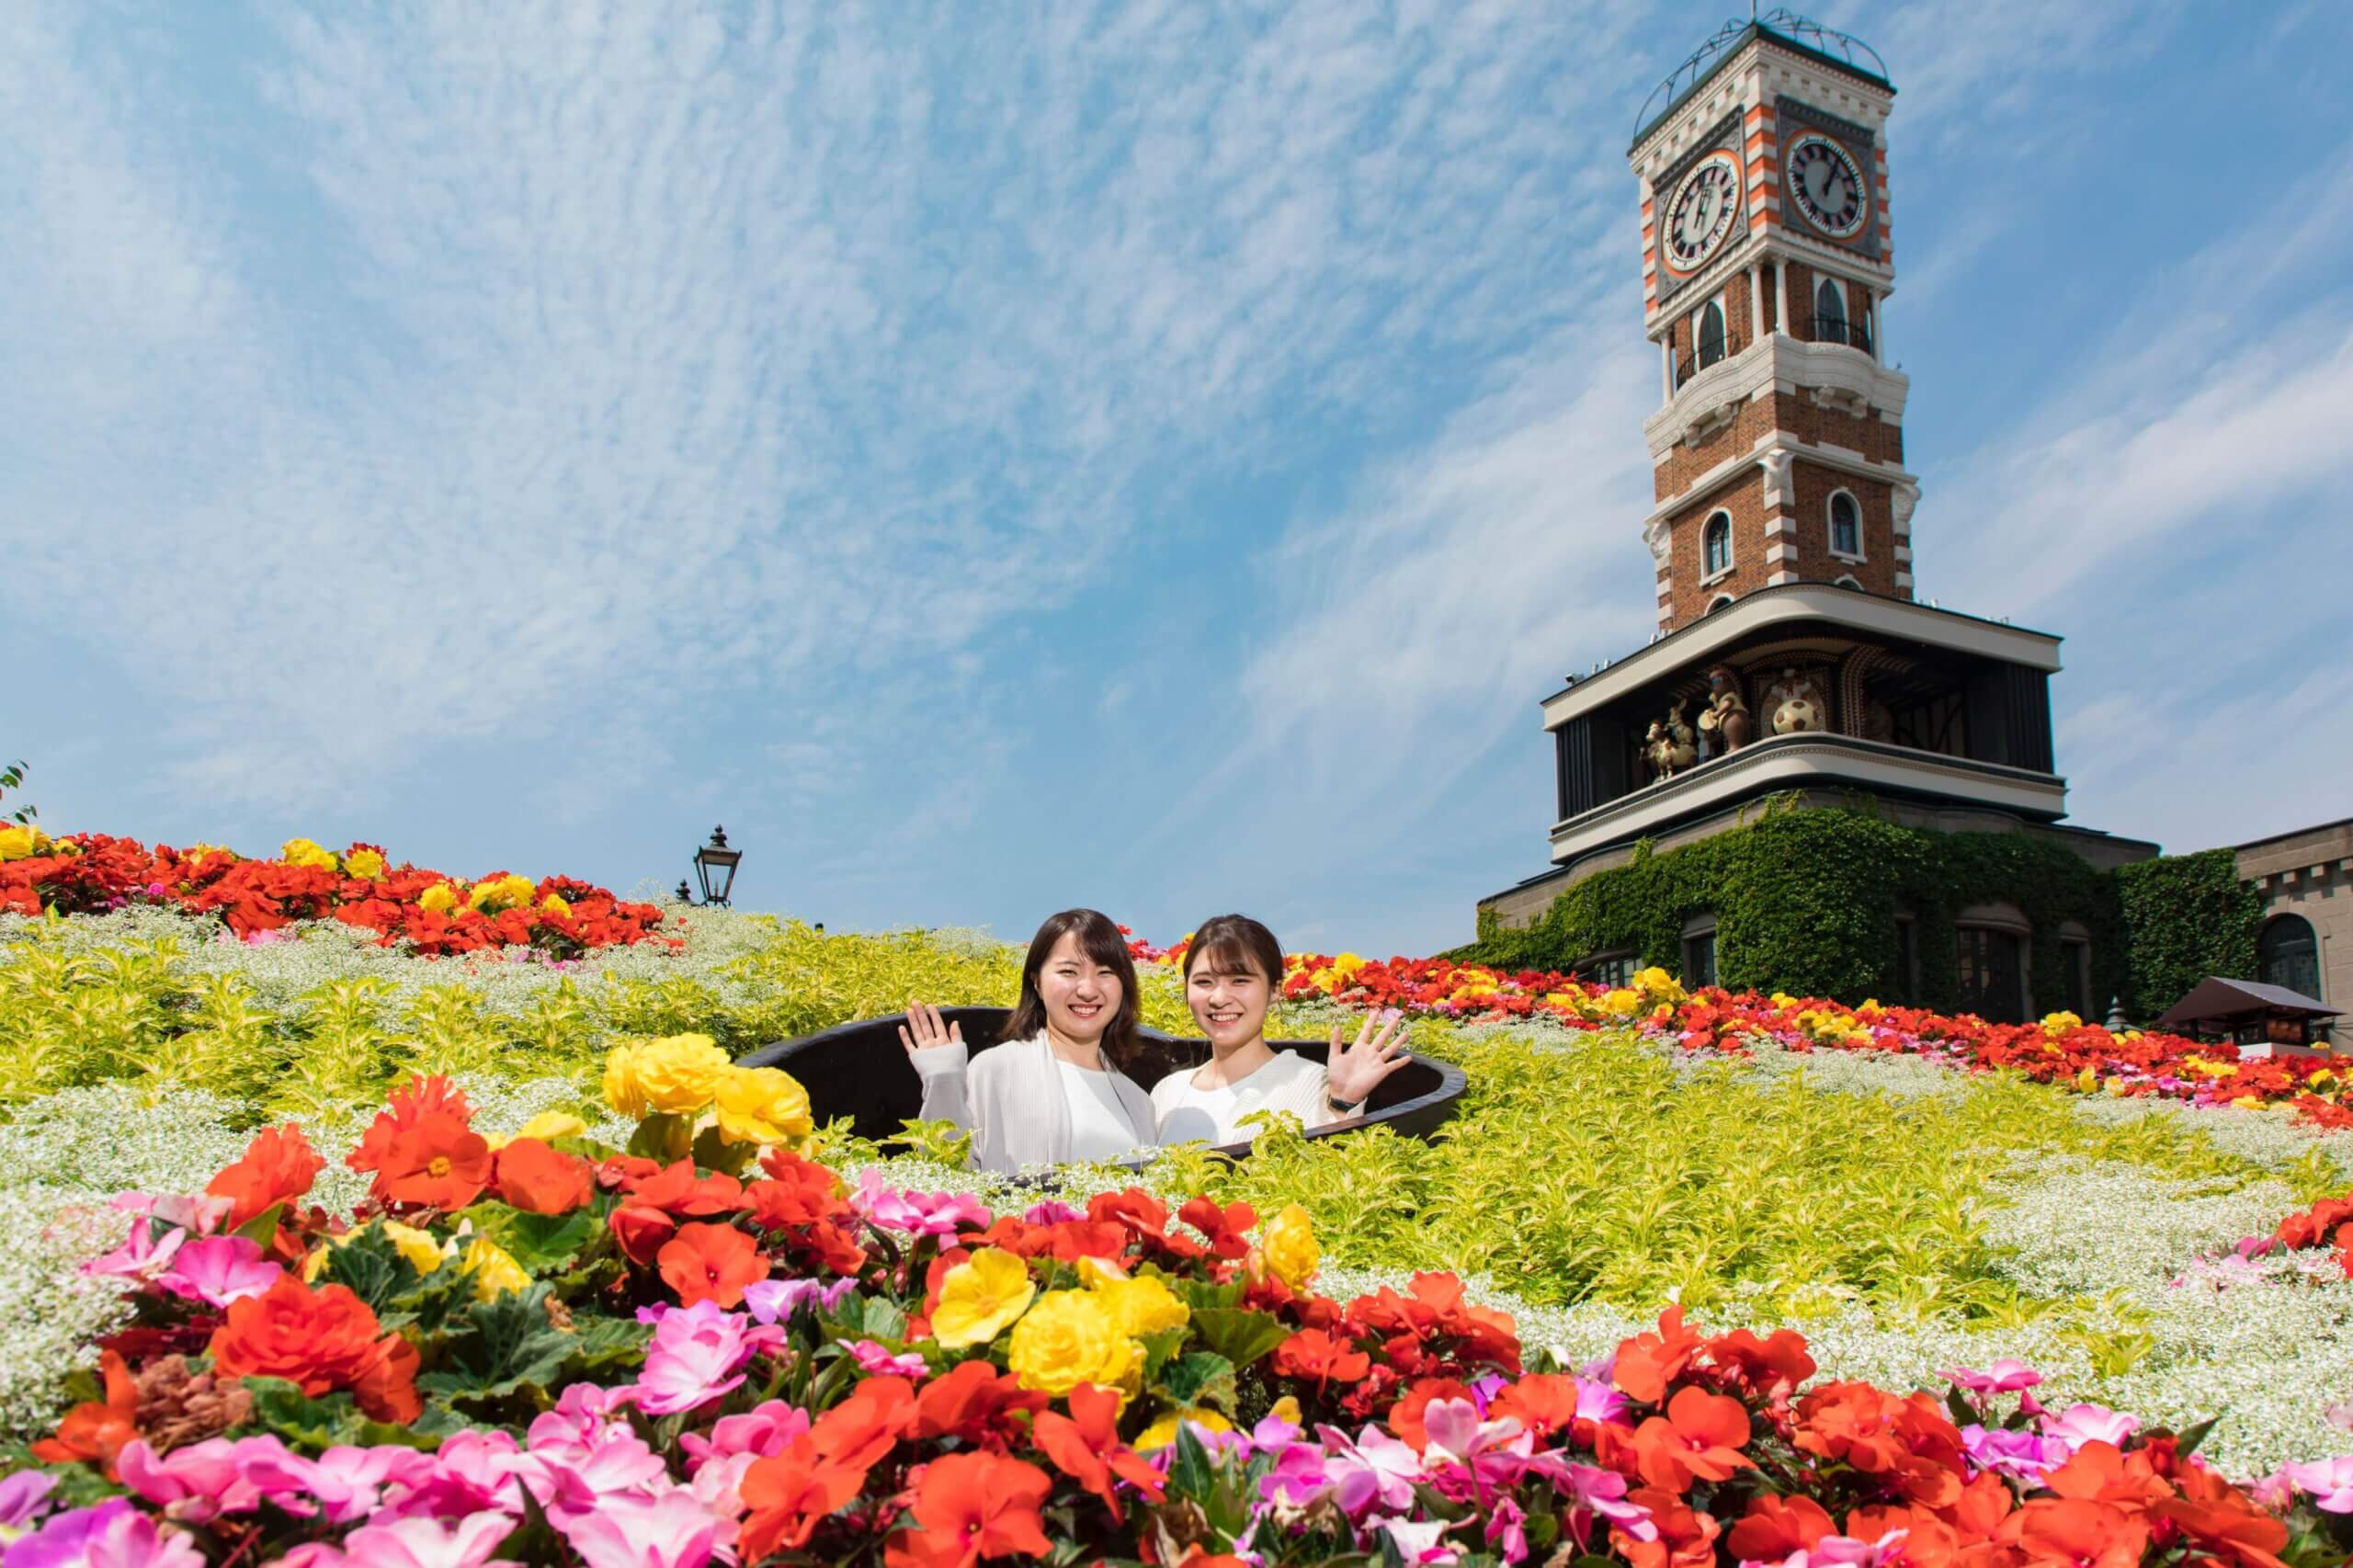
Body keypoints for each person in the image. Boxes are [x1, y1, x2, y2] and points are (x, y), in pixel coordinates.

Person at [899, 908, 1159, 1172]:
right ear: (1037, 982)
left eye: (1105, 973)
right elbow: (948, 1172)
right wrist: (943, 1083)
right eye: (1069, 972)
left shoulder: (1138, 1101)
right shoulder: (996, 1069)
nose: (1088, 990)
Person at [1152, 913, 1412, 1147]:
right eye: (1204, 982)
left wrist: (1342, 1104)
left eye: (1239, 980)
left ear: (1275, 990)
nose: (1218, 998)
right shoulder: (1168, 1091)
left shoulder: (1312, 1083)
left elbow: (1326, 1170)